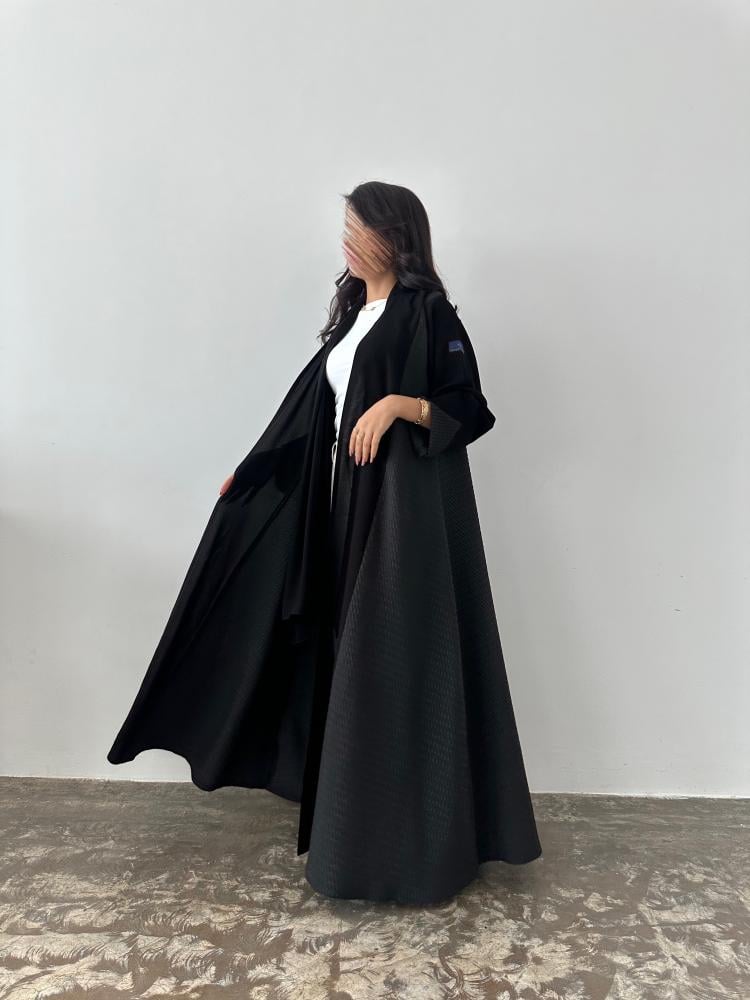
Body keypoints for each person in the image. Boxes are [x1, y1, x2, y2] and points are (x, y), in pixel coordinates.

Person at [108, 181, 543, 904]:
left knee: (393, 659)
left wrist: (399, 405)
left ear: (395, 237)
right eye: (345, 227)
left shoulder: (427, 314)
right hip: (344, 506)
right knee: (348, 656)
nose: (347, 241)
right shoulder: (351, 319)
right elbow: (317, 418)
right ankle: (356, 832)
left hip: (401, 518)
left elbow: (471, 407)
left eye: (360, 229)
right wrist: (254, 473)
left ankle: (415, 849)